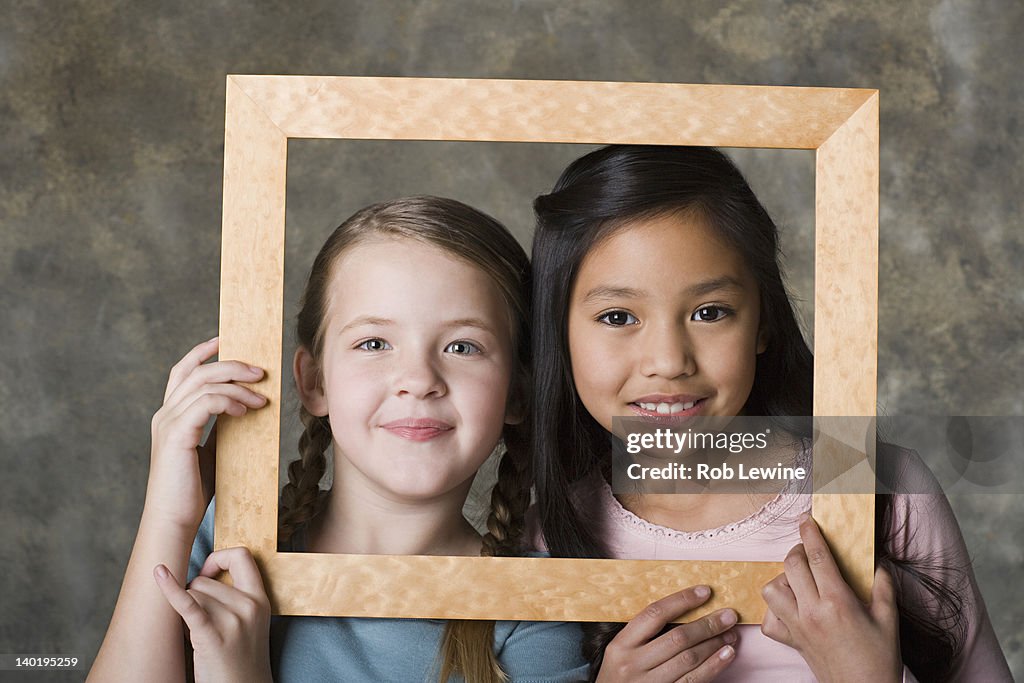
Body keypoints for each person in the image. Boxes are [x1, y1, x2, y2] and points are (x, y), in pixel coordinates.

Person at [529, 145, 1012, 682]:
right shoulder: (552, 533)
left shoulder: (883, 488)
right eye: (618, 316)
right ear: (560, 334)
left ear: (762, 324)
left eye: (710, 312)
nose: (668, 362)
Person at [90, 196, 589, 682]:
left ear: (518, 392)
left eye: (464, 346)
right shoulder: (228, 539)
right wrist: (168, 513)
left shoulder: (536, 607)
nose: (418, 379)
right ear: (315, 382)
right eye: (374, 343)